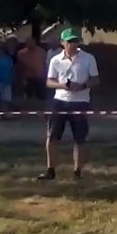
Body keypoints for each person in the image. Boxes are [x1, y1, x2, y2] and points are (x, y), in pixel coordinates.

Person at [38, 28, 99, 180]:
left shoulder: (88, 58)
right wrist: (63, 85)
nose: (72, 44)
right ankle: (50, 171)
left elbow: (96, 80)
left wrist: (83, 86)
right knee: (52, 137)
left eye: (75, 41)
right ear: (62, 43)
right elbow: (49, 82)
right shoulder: (55, 60)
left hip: (80, 101)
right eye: (69, 41)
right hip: (60, 101)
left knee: (80, 138)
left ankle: (78, 172)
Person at [16, 37, 48, 102]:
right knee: (28, 96)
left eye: (31, 42)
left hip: (40, 78)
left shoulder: (41, 51)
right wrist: (22, 78)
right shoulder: (21, 53)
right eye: (28, 42)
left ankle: (42, 110)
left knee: (41, 96)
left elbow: (45, 64)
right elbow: (19, 67)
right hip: (28, 78)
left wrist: (45, 77)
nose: (30, 44)